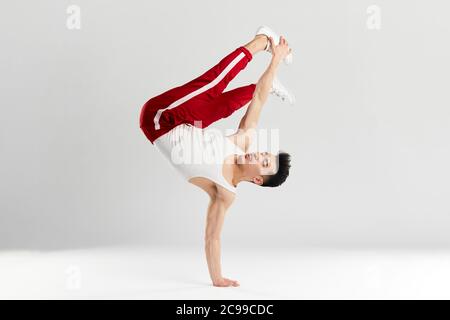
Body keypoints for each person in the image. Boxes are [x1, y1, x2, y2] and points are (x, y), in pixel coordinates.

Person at [139, 26, 294, 287]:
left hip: (160, 119)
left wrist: (217, 279)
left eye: (264, 162)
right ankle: (265, 43)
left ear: (257, 179)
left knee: (213, 85)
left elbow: (213, 237)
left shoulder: (224, 193)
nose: (259, 153)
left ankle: (261, 42)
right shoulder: (241, 144)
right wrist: (276, 60)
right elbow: (258, 101)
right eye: (265, 153)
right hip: (184, 122)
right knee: (227, 105)